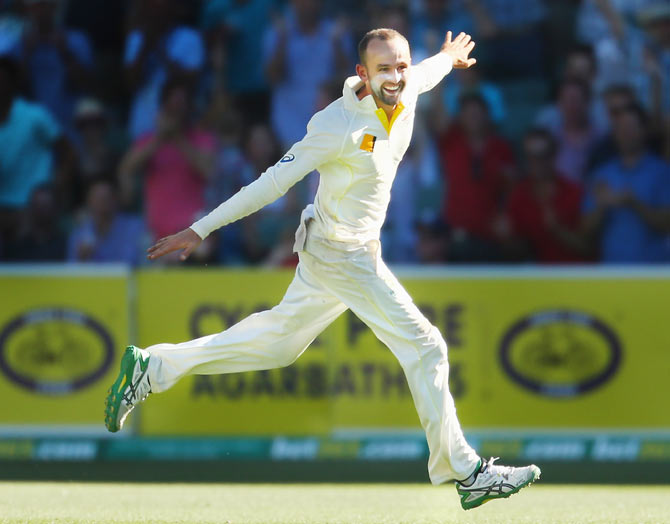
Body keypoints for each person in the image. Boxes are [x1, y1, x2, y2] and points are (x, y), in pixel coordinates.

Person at [104, 28, 540, 511]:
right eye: (384, 69)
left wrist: (446, 57)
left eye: (401, 65)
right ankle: (466, 472)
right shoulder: (335, 124)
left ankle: (154, 367)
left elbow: (426, 75)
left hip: (344, 248)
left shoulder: (408, 85)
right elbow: (272, 183)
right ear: (362, 74)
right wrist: (201, 229)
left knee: (280, 344)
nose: (396, 76)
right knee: (427, 346)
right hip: (341, 254)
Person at [117, 77, 216, 245]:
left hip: (192, 233)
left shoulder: (202, 139)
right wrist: (161, 138)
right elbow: (125, 169)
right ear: (164, 107)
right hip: (156, 234)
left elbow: (208, 171)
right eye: (173, 106)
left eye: (181, 106)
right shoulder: (147, 141)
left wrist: (178, 138)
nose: (177, 111)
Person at [582, 103, 670, 263]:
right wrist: (601, 207)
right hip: (612, 273)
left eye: (630, 127)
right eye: (620, 127)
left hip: (653, 274)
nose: (625, 133)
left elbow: (667, 224)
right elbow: (586, 231)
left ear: (644, 131)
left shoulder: (662, 172)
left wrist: (634, 203)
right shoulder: (601, 174)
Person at [504, 129, 588, 263]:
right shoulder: (518, 196)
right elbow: (517, 254)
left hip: (576, 277)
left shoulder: (575, 192)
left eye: (543, 155)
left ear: (554, 156)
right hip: (540, 280)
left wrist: (558, 230)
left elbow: (589, 247)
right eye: (531, 156)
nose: (537, 162)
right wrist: (506, 238)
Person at [67, 179, 145, 266]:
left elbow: (139, 263)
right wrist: (81, 259)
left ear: (116, 199)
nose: (102, 202)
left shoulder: (135, 227)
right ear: (88, 201)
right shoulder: (79, 234)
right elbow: (71, 270)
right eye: (97, 198)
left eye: (106, 197)